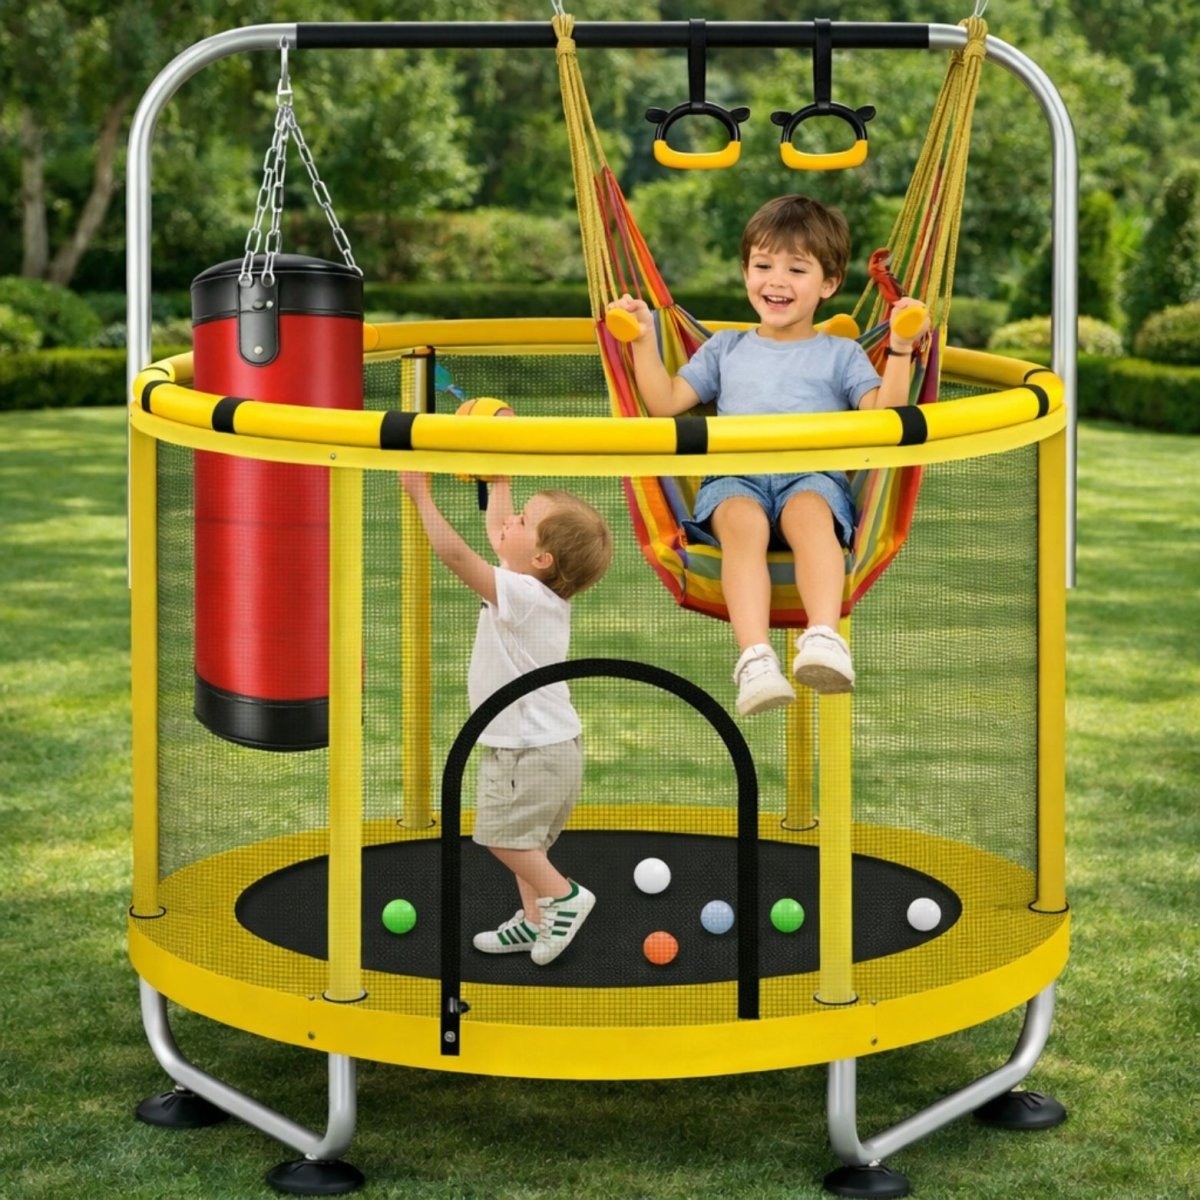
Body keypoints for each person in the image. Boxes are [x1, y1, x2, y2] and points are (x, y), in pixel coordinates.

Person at [608, 194, 929, 717]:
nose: (776, 280)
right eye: (762, 266)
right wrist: (643, 339)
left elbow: (885, 418)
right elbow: (664, 402)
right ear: (745, 272)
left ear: (828, 284)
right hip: (735, 479)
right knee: (742, 525)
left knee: (810, 516)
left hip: (811, 478)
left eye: (796, 269)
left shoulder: (841, 354)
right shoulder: (725, 348)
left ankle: (823, 637)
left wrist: (898, 347)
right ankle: (755, 660)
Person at [400, 470, 613, 964]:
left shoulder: (524, 597)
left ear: (541, 559)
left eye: (522, 520)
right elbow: (499, 531)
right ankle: (536, 921)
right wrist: (499, 482)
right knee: (525, 842)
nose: (509, 522)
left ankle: (564, 897)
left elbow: (457, 558)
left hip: (530, 752)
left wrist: (421, 496)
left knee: (502, 839)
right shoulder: (529, 587)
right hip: (543, 748)